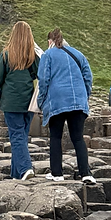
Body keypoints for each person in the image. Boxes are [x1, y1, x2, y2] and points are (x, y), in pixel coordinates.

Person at [37, 28, 93, 182]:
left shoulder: (47, 55)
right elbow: (88, 77)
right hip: (78, 101)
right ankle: (86, 173)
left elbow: (43, 80)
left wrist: (41, 101)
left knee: (55, 137)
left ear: (50, 42)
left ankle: (57, 173)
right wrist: (84, 96)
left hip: (57, 100)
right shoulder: (78, 54)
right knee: (78, 138)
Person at [0, 21, 39, 180]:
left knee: (16, 135)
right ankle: (16, 174)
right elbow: (41, 75)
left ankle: (25, 168)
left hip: (11, 101)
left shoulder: (6, 55)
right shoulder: (34, 56)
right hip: (29, 102)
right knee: (21, 135)